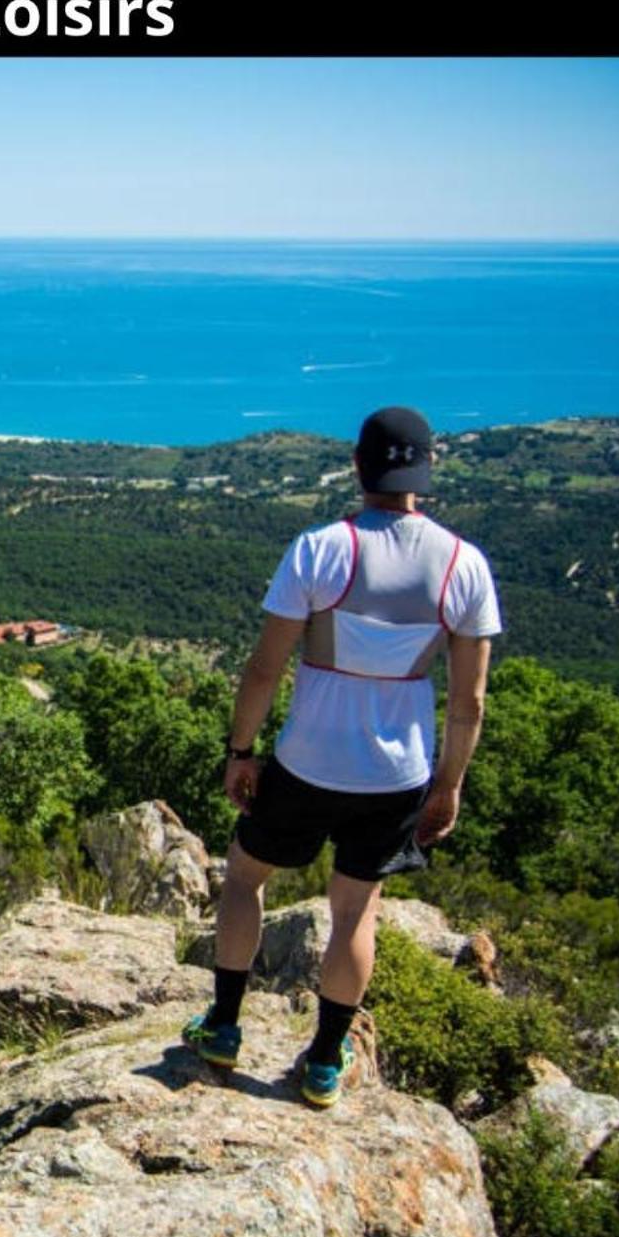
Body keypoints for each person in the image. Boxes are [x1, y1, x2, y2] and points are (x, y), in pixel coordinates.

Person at [182, 406, 502, 1107]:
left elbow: (264, 668)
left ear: (359, 466)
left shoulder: (321, 549)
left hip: (307, 762)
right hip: (396, 777)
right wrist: (448, 786)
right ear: (427, 468)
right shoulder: (462, 566)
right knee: (355, 913)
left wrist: (241, 751)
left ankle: (224, 1027)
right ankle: (325, 1063)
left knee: (243, 877)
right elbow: (468, 702)